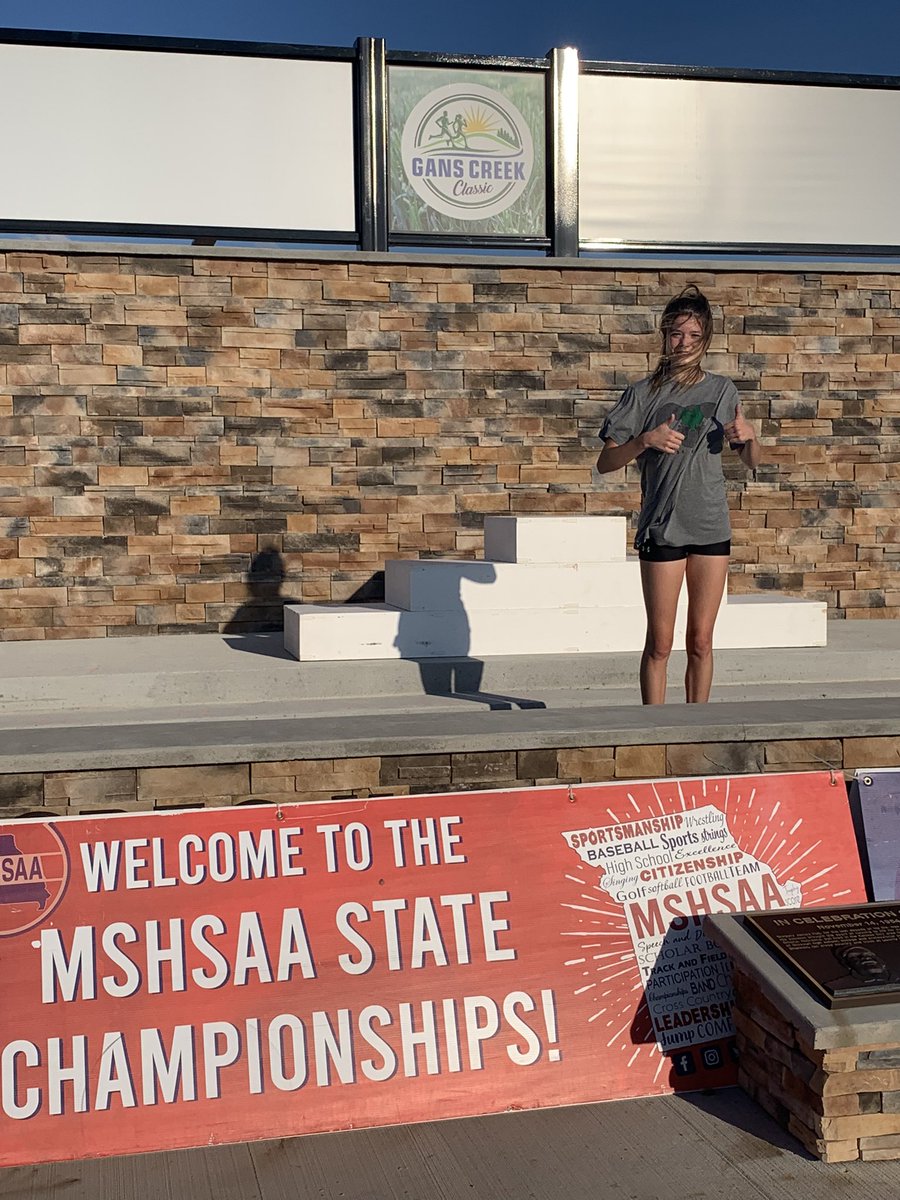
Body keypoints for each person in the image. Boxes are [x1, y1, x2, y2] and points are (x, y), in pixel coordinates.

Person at [596, 285, 761, 705]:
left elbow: (750, 460)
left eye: (693, 336)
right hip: (662, 528)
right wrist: (644, 441)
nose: (683, 343)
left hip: (709, 525)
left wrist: (751, 439)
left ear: (705, 340)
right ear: (664, 336)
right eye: (676, 334)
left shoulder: (723, 391)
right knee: (661, 644)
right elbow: (606, 462)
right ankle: (654, 735)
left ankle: (697, 730)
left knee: (702, 641)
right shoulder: (642, 393)